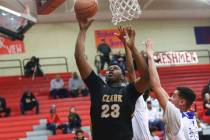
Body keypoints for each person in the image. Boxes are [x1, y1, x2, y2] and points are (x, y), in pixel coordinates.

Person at [74, 17, 149, 140]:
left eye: (115, 68)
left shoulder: (129, 91)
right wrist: (82, 30)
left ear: (123, 76)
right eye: (109, 69)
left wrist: (132, 47)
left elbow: (146, 77)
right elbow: (79, 57)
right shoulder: (98, 87)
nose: (110, 69)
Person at [145, 39, 199, 140]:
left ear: (182, 102)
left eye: (174, 96)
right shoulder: (190, 116)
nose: (169, 98)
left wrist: (150, 57)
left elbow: (156, 86)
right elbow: (160, 87)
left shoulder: (175, 114)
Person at [115, 26, 151, 140]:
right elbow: (129, 71)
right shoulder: (127, 104)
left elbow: (130, 71)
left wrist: (126, 44)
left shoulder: (138, 101)